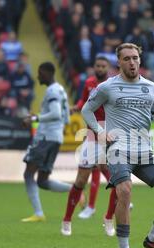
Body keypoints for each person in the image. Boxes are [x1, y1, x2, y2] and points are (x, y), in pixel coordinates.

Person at [81, 43, 154, 248]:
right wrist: (100, 132)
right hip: (118, 150)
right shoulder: (107, 87)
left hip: (144, 151)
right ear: (119, 62)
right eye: (127, 58)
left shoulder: (152, 88)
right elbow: (86, 110)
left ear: (140, 60)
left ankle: (153, 239)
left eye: (135, 58)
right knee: (125, 191)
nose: (132, 62)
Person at [61, 56, 117, 237]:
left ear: (107, 68)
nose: (100, 68)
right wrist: (76, 107)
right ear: (94, 67)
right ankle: (67, 220)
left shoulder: (113, 84)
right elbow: (83, 102)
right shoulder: (89, 83)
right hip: (93, 133)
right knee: (80, 180)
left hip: (111, 132)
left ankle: (109, 218)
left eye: (103, 66)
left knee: (119, 179)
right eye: (97, 65)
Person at [22, 62, 71, 222]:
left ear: (47, 73)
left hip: (45, 138)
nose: (38, 76)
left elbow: (56, 113)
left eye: (40, 73)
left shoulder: (52, 90)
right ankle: (74, 190)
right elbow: (66, 118)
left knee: (29, 174)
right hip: (56, 138)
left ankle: (38, 213)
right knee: (42, 181)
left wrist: (35, 118)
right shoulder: (61, 90)